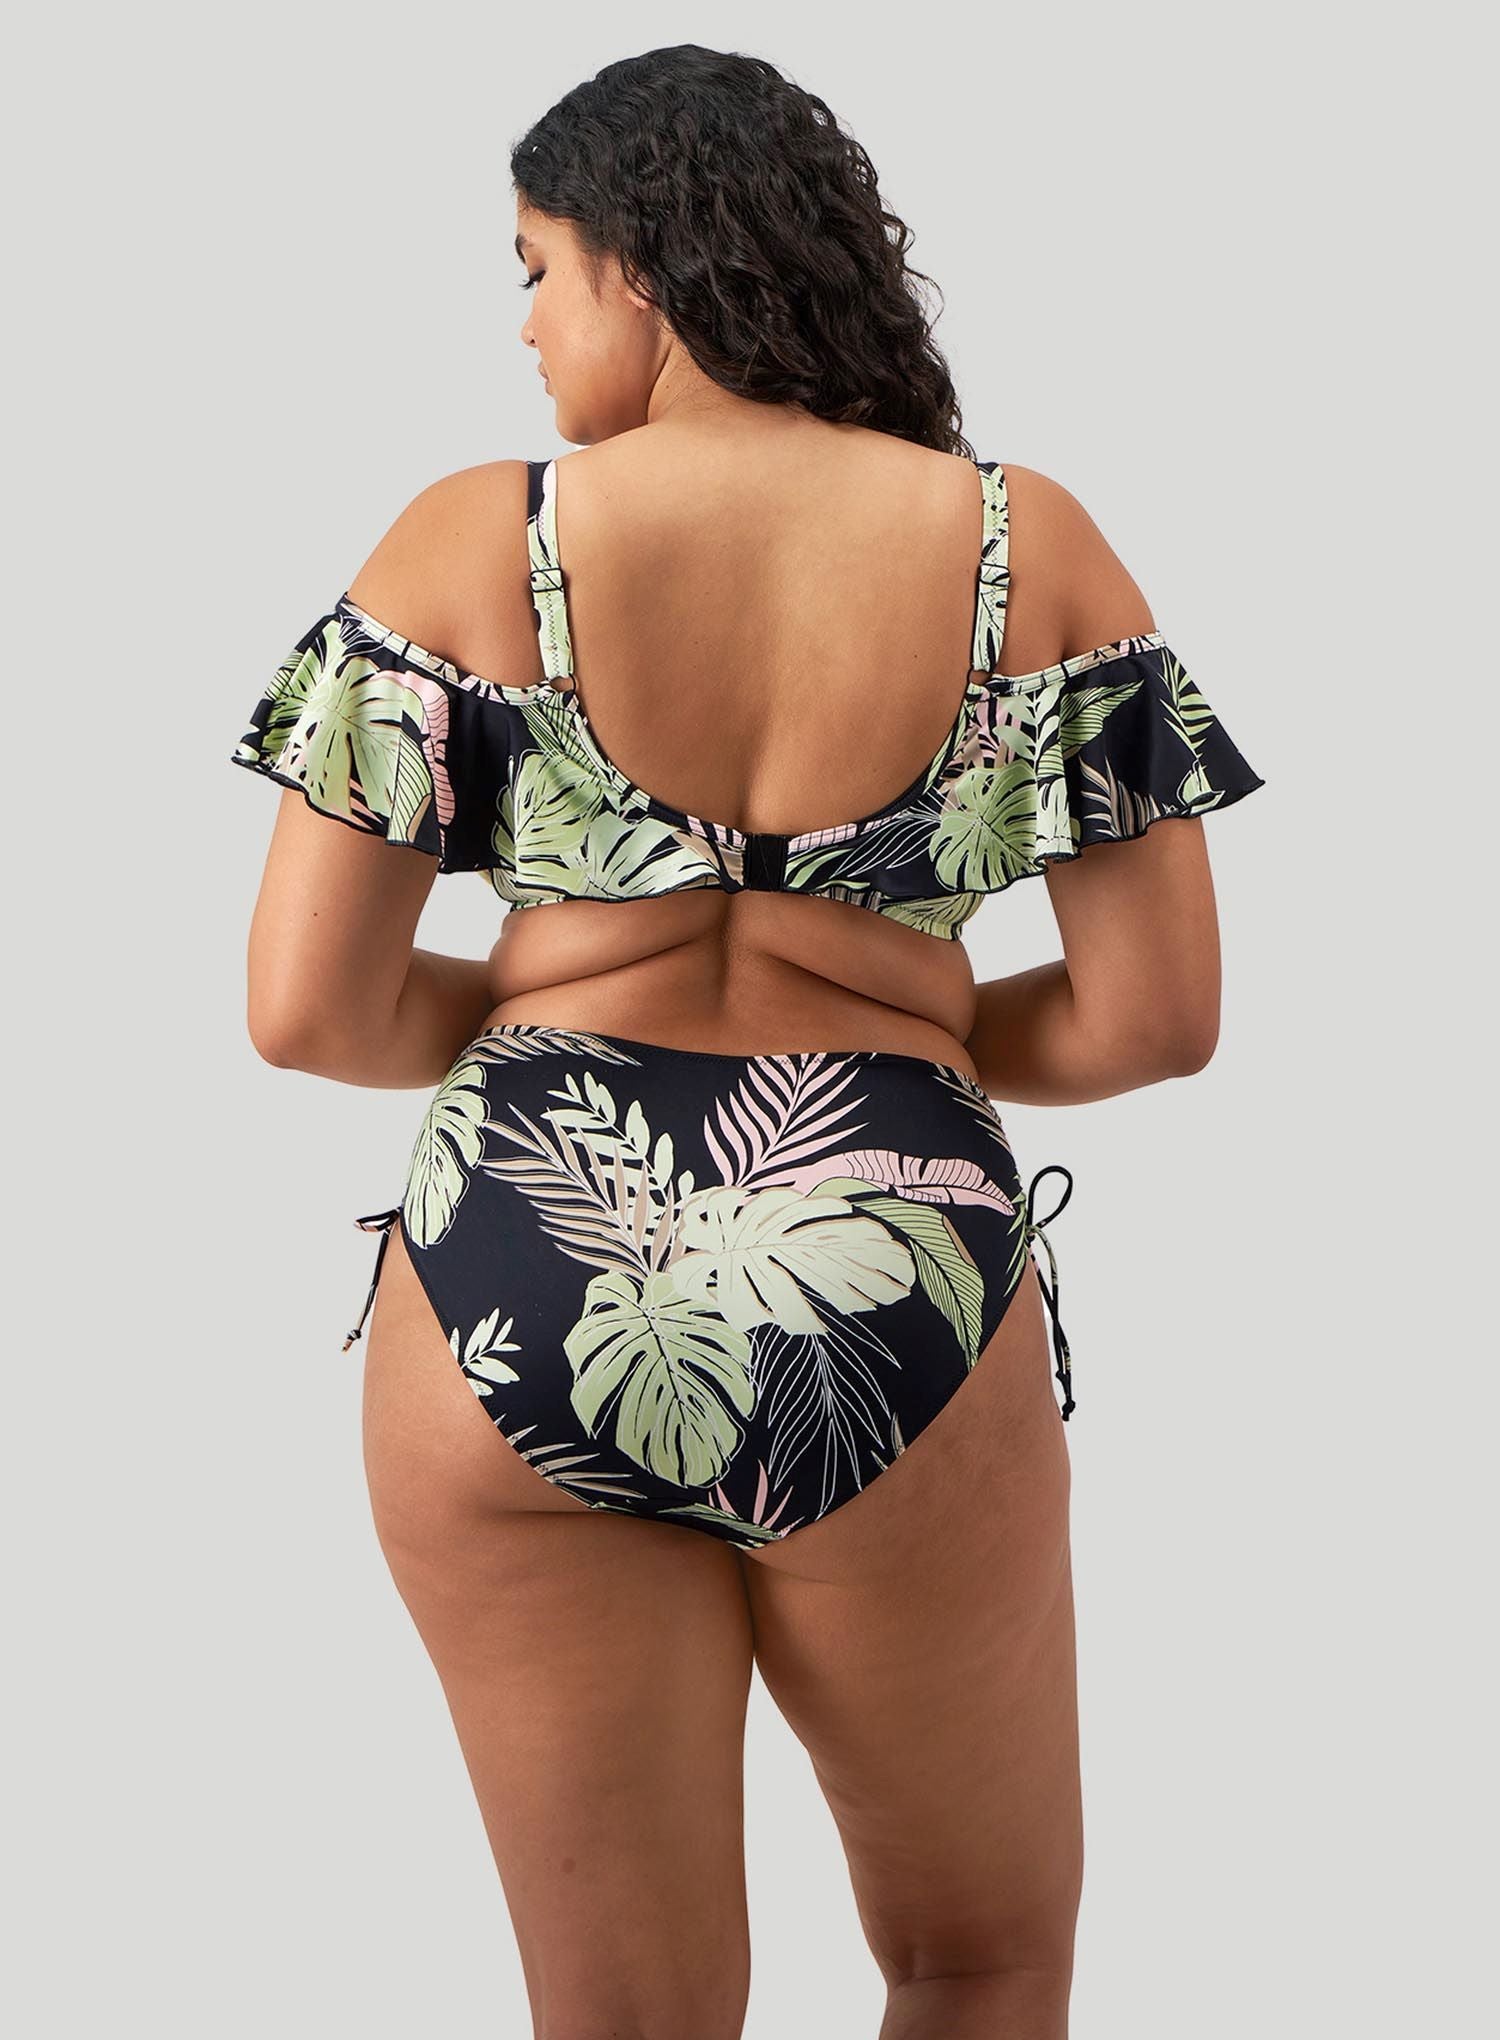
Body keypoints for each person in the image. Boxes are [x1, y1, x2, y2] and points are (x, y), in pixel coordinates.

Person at [231, 44, 1264, 2040]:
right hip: (893, 1261)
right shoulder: (1024, 547)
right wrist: (904, 1030)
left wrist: (547, 1012)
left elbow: (309, 1011)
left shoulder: (470, 541)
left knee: (628, 2021)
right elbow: (1156, 1020)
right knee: (974, 1962)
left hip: (526, 1262)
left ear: (643, 260)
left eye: (536, 270)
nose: (528, 326)